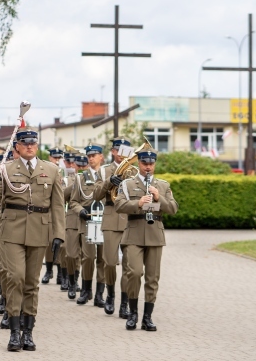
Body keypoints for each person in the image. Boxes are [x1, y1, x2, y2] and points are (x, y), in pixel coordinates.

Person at [0, 127, 65, 352]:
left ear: (37, 145)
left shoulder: (50, 170)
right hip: (12, 230)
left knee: (31, 282)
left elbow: (58, 205)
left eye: (33, 142)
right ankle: (13, 332)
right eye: (25, 142)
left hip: (39, 231)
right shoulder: (6, 169)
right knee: (15, 278)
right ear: (17, 147)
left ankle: (28, 332)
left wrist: (59, 234)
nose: (29, 146)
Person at [114, 145, 178, 331]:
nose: (148, 167)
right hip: (133, 232)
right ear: (139, 163)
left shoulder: (163, 185)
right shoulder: (127, 184)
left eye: (151, 163)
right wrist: (138, 203)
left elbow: (173, 208)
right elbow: (119, 205)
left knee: (152, 278)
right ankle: (132, 313)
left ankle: (147, 317)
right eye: (144, 163)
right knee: (133, 273)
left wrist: (159, 198)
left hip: (155, 234)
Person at [93, 138, 132, 316]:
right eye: (119, 149)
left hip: (131, 219)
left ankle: (124, 302)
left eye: (126, 149)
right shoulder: (104, 170)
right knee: (109, 262)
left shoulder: (134, 171)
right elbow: (96, 195)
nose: (122, 153)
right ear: (113, 151)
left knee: (129, 265)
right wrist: (110, 181)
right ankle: (110, 294)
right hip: (111, 217)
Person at [72, 145, 106, 306]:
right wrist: (80, 211)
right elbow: (73, 201)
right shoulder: (80, 178)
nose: (91, 158)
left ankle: (100, 293)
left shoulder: (107, 176)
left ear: (101, 157)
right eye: (89, 155)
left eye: (94, 155)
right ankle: (86, 290)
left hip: (104, 221)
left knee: (103, 258)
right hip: (87, 221)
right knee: (88, 257)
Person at [42, 147, 64, 286]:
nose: (57, 160)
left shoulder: (68, 173)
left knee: (62, 244)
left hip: (64, 211)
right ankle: (49, 270)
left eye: (59, 158)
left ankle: (61, 273)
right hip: (49, 211)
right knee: (49, 242)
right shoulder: (47, 171)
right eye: (54, 158)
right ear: (50, 158)